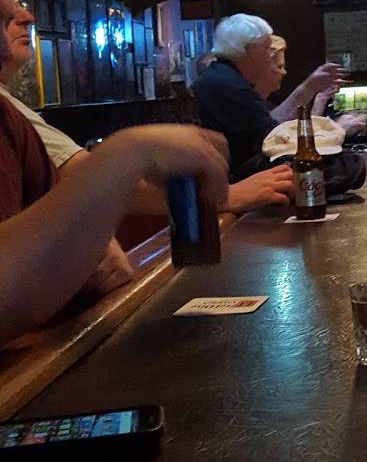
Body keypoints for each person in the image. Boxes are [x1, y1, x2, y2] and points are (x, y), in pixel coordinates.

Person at [0, 0, 294, 221]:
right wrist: (224, 196)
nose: (27, 17)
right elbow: (89, 182)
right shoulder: (223, 82)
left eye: (18, 5)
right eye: (6, 12)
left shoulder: (11, 105)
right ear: (250, 50)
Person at [0, 120, 228, 348]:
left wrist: (81, 239)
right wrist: (128, 153)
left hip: (60, 347)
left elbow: (61, 238)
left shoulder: (12, 122)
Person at [194, 15, 365, 196]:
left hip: (243, 168)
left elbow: (273, 127)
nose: (271, 57)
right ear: (252, 50)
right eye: (268, 48)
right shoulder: (226, 84)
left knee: (341, 161)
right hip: (238, 179)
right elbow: (277, 138)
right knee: (348, 164)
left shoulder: (223, 77)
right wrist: (335, 130)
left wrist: (311, 89)